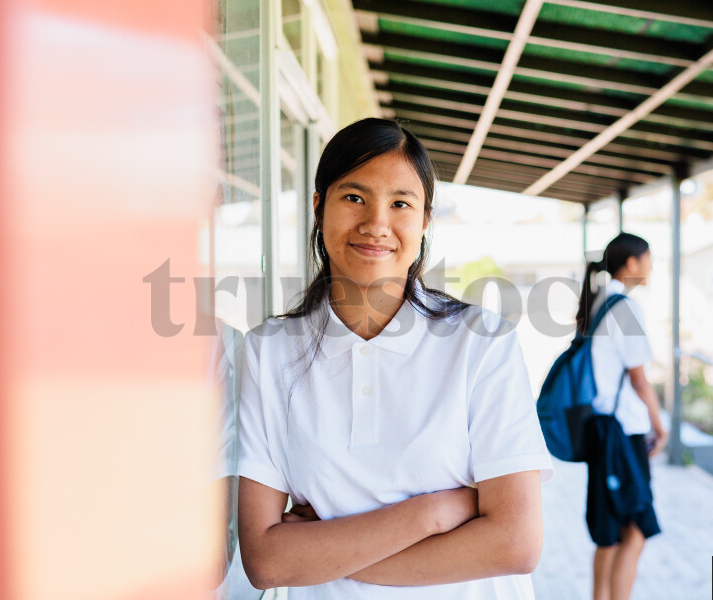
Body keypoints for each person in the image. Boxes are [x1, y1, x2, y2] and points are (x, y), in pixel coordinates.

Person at [235, 118, 554, 598]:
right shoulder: (269, 350)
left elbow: (515, 544)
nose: (376, 224)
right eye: (354, 197)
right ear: (319, 207)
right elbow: (265, 562)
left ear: (425, 220)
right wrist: (433, 513)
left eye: (400, 203)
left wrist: (322, 554)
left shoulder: (482, 343)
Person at [576, 233, 667, 600]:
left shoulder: (599, 302)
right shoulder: (625, 308)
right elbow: (639, 380)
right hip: (623, 432)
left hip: (601, 429)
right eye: (648, 259)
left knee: (609, 534)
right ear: (631, 263)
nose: (651, 267)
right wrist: (660, 427)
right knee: (637, 529)